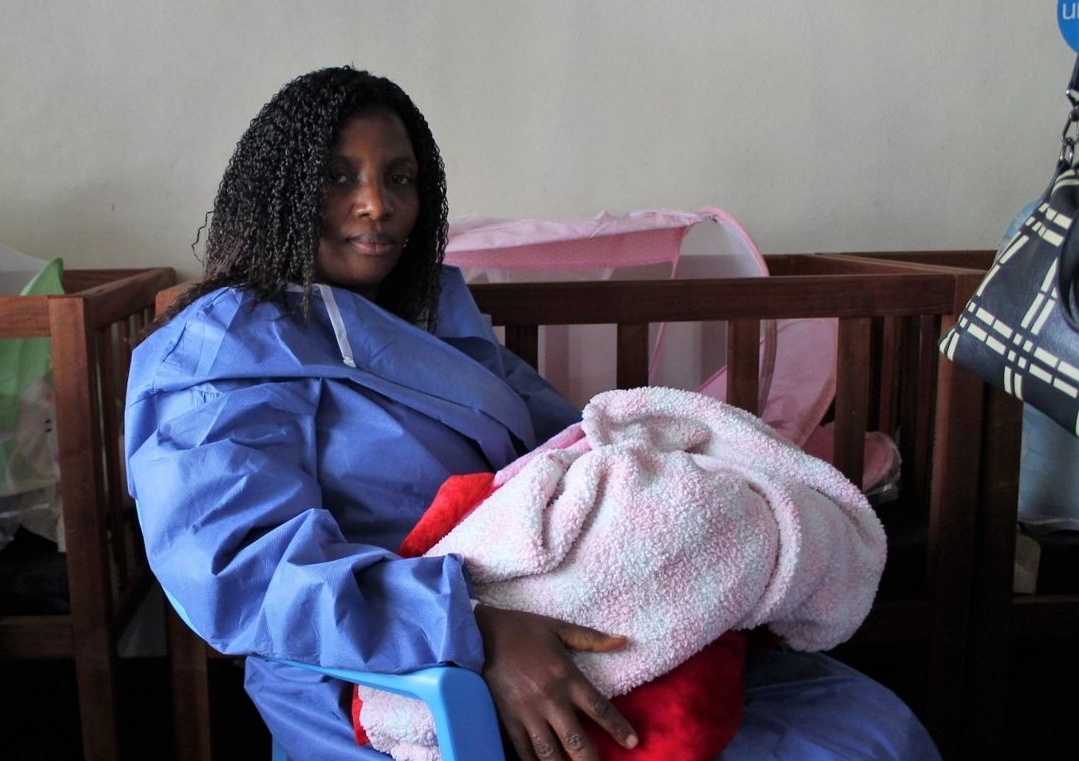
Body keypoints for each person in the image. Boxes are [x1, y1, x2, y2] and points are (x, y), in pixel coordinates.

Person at [125, 66, 939, 761]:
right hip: (386, 659)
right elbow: (242, 569)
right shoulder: (219, 348)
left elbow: (567, 447)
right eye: (340, 176)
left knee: (865, 723)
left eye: (399, 177)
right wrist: (474, 633)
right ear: (283, 191)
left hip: (544, 603)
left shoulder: (438, 319)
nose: (378, 205)